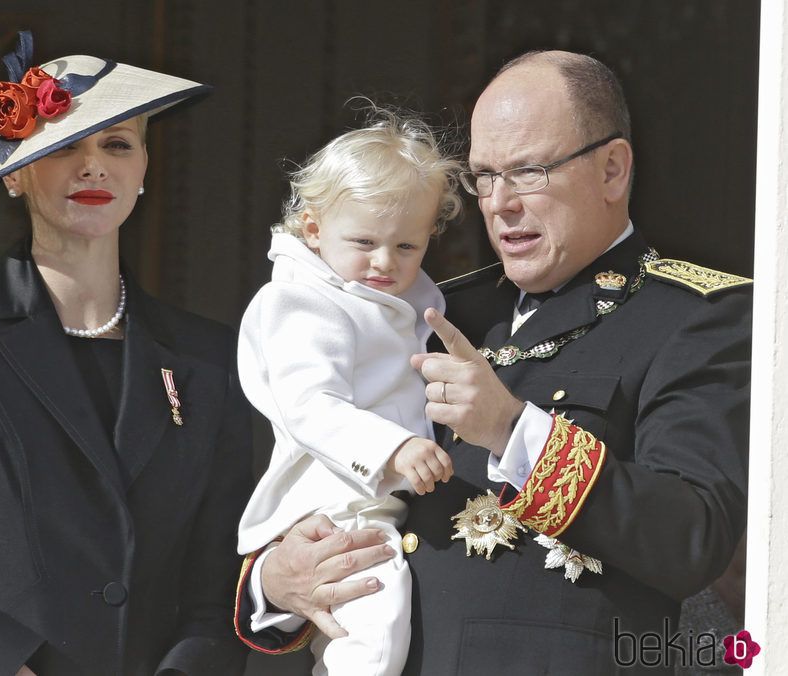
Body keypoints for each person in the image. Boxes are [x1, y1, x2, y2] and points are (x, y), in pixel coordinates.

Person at [235, 50, 751, 674]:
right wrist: (276, 580)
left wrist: (513, 430)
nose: (499, 202)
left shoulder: (694, 315)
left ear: (612, 170)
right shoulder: (430, 306)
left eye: (528, 171)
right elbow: (311, 455)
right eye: (483, 176)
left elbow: (691, 537)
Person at [0, 31, 252, 676]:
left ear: (144, 170)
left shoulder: (209, 355)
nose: (94, 166)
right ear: (15, 174)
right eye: (65, 144)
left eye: (117, 144)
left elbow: (218, 591)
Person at [235, 107, 461, 675]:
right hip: (338, 507)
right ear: (313, 228)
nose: (385, 262)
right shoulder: (302, 300)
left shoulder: (407, 298)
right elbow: (310, 405)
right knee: (374, 642)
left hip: (378, 501)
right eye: (364, 241)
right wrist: (395, 448)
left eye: (407, 247)